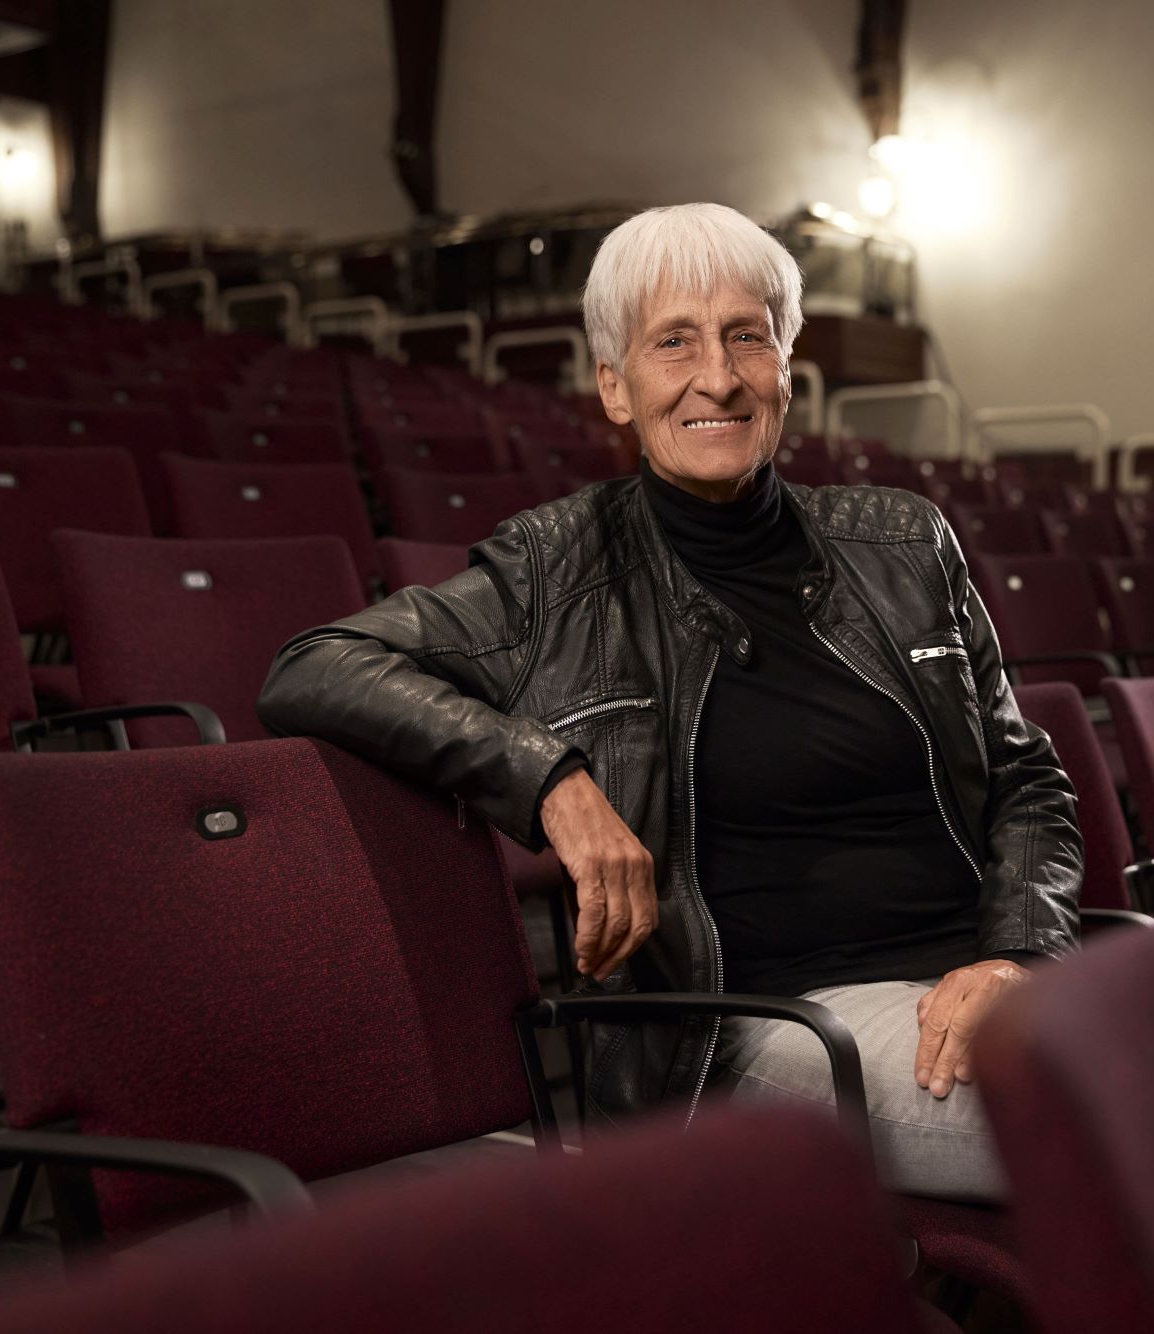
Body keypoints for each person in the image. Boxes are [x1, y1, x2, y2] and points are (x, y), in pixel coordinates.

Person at [259, 202, 1082, 1201]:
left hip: (981, 985)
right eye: (672, 343)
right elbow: (314, 662)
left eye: (747, 335)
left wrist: (1016, 952)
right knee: (1127, 1127)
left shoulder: (903, 542)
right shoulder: (554, 569)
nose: (718, 377)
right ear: (614, 386)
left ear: (786, 363)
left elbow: (1025, 778)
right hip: (767, 1024)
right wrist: (549, 779)